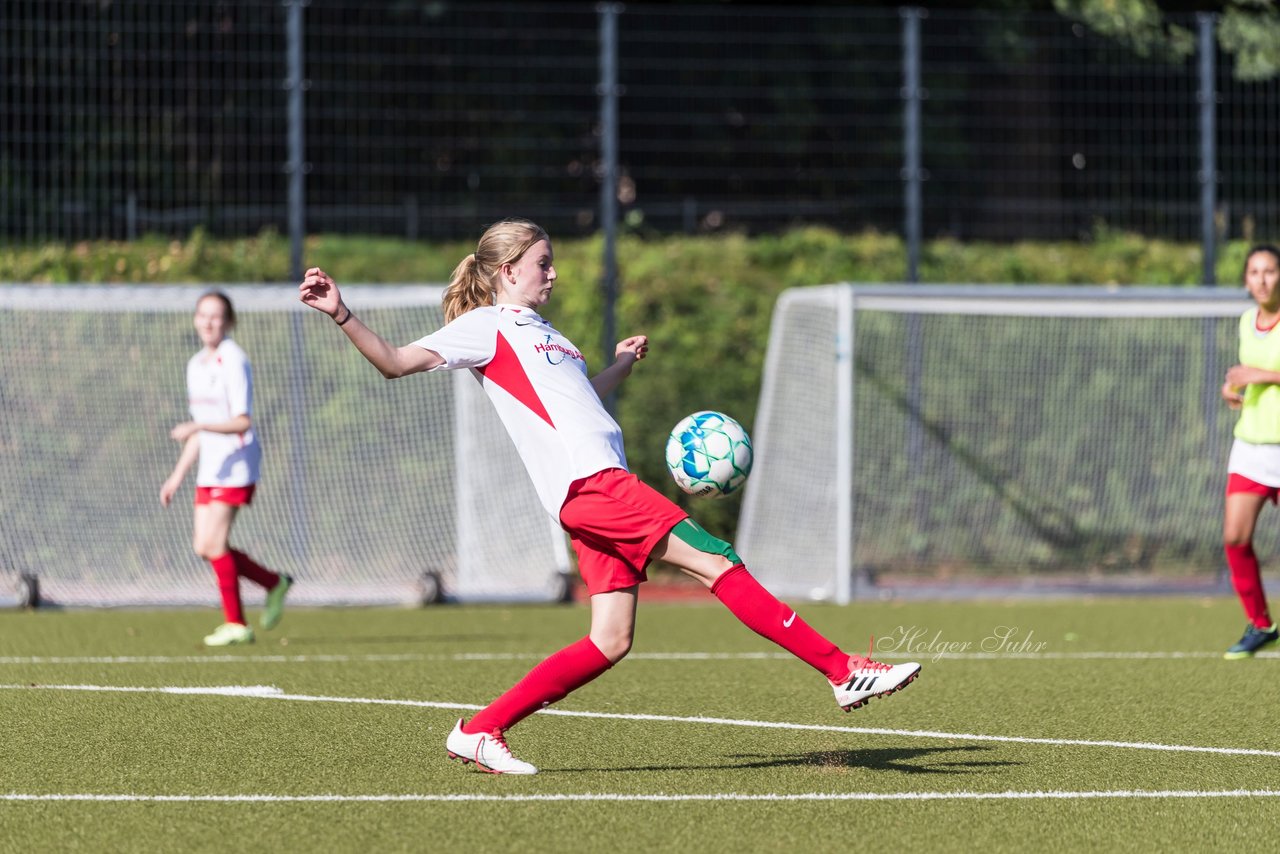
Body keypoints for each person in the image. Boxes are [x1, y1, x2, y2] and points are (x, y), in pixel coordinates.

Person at [298, 219, 920, 775]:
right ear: (507, 271)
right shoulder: (484, 325)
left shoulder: (542, 330)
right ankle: (844, 672)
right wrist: (342, 313)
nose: (553, 273)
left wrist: (620, 365)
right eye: (543, 263)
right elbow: (396, 361)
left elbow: (577, 400)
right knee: (716, 559)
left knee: (610, 640)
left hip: (591, 489)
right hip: (592, 485)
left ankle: (480, 729)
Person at [160, 290, 293, 647]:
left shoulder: (234, 360)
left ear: (229, 322)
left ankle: (236, 623)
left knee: (214, 543)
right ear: (195, 319)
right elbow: (199, 432)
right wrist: (176, 476)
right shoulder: (196, 365)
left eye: (217, 316)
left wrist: (199, 427)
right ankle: (273, 583)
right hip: (210, 467)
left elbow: (242, 422)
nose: (208, 322)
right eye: (203, 315)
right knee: (204, 546)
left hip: (236, 465)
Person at [1221, 244, 1280, 659]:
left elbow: (1258, 372)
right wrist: (1232, 388)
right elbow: (1243, 378)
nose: (1261, 279)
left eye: (1270, 271)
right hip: (1251, 446)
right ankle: (1261, 625)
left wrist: (1254, 375)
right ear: (1246, 280)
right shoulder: (1246, 322)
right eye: (1254, 272)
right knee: (1235, 537)